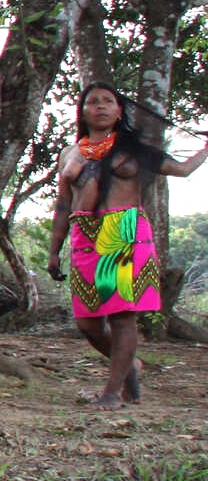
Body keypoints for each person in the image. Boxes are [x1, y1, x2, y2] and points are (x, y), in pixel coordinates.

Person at [47, 82, 207, 409]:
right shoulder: (70, 153)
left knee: (121, 317)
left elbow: (181, 168)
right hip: (84, 236)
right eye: (93, 102)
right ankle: (130, 368)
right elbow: (64, 205)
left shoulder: (133, 149)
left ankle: (112, 392)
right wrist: (54, 249)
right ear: (83, 110)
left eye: (109, 101)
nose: (101, 106)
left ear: (120, 111)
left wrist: (205, 148)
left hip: (123, 232)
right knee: (88, 322)